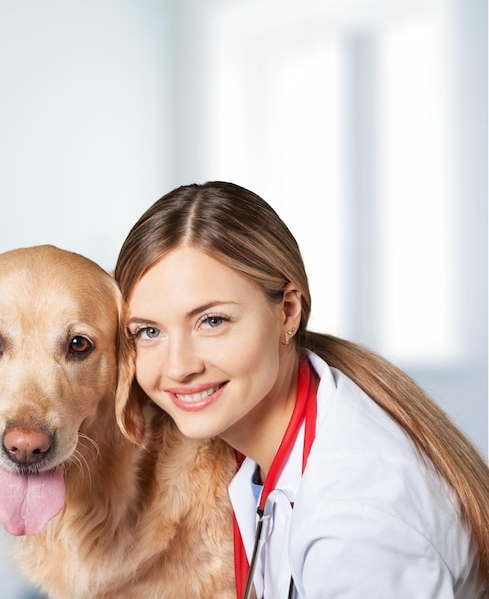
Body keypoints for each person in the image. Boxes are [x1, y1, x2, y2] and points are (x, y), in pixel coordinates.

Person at [114, 181, 489, 599]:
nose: (179, 367)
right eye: (148, 331)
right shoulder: (275, 436)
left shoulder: (354, 526)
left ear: (288, 311)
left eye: (212, 321)